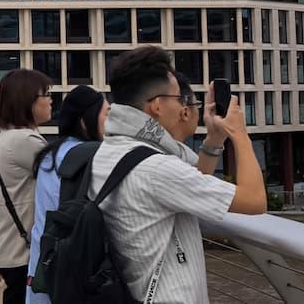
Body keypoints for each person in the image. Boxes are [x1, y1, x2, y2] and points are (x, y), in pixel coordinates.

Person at [90, 46, 265, 302]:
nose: (182, 107)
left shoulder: (110, 151)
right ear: (158, 106)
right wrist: (240, 134)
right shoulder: (156, 169)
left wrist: (215, 139)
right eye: (178, 99)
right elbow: (254, 200)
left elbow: (189, 183)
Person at [26, 85, 108, 304]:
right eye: (106, 114)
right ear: (85, 120)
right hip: (70, 269)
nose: (111, 123)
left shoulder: (50, 154)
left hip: (43, 261)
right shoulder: (90, 157)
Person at [0, 69, 51, 304]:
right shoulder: (26, 141)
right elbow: (60, 174)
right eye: (44, 94)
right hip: (21, 250)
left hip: (9, 245)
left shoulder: (7, 134)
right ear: (28, 101)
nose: (50, 100)